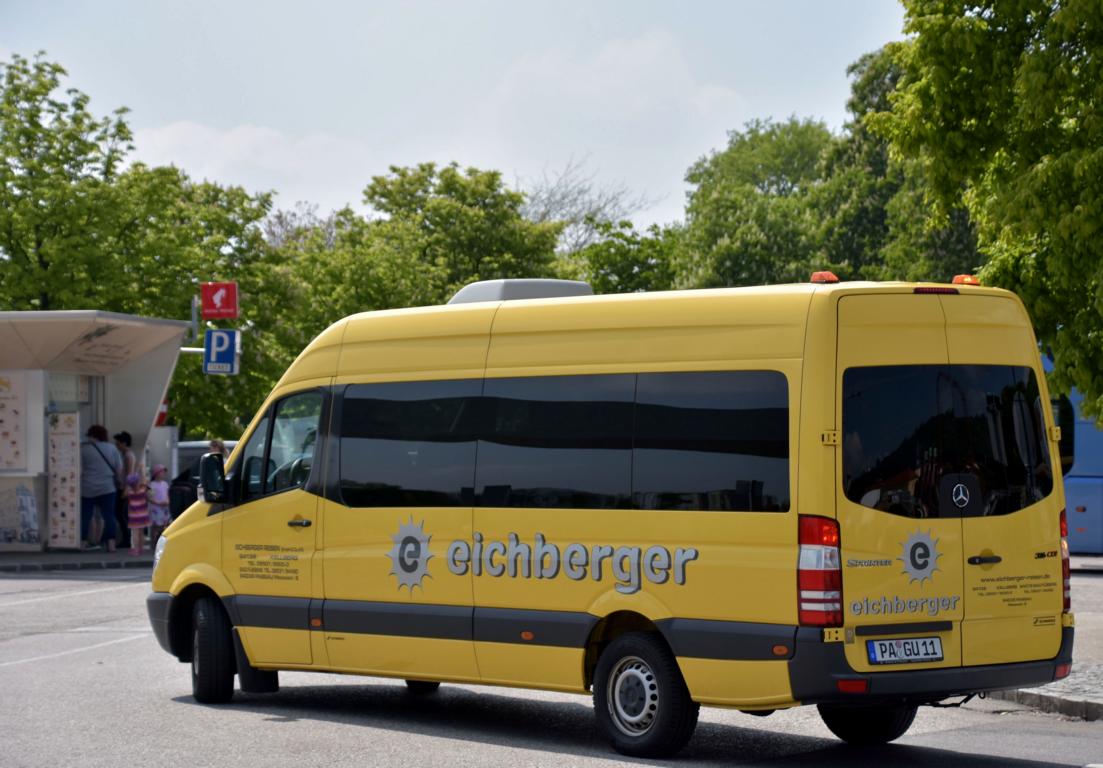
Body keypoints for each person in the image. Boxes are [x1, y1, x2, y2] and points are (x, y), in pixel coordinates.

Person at [80, 425, 123, 551]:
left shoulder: (84, 450)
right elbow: (119, 469)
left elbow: (79, 469)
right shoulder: (112, 448)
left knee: (86, 516)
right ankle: (111, 544)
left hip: (87, 488)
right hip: (107, 488)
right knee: (109, 515)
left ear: (93, 435)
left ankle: (82, 543)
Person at [114, 431, 138, 549]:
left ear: (124, 443)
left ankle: (126, 539)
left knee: (121, 514)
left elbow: (129, 473)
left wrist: (126, 489)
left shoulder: (128, 455)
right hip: (125, 487)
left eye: (118, 443)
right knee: (122, 513)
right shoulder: (127, 455)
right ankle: (126, 538)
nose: (117, 446)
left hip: (125, 488)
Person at [125, 473, 150, 556]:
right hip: (143, 514)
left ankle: (135, 549)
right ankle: (141, 548)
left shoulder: (130, 492)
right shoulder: (143, 490)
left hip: (133, 516)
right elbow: (147, 485)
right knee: (142, 533)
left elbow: (125, 494)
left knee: (135, 533)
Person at [147, 464, 171, 548]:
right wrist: (158, 503)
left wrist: (167, 501)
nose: (164, 474)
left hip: (164, 507)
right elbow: (149, 497)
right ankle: (153, 543)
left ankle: (161, 543)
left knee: (164, 525)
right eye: (162, 472)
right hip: (156, 508)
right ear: (156, 473)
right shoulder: (151, 485)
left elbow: (167, 494)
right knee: (155, 526)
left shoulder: (165, 484)